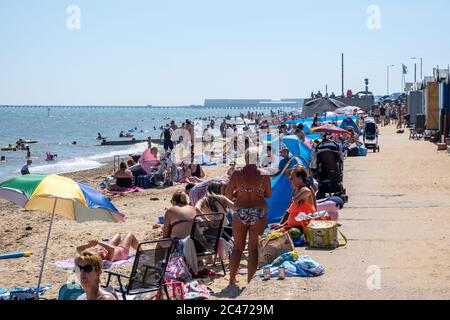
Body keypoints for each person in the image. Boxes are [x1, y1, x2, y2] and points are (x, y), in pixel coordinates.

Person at [225, 147, 272, 285]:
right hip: (259, 212)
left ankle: (232, 280)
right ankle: (250, 281)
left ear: (245, 158)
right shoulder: (265, 174)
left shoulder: (236, 173)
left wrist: (239, 194)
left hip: (241, 212)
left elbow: (228, 194)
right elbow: (268, 195)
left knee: (238, 248)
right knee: (253, 249)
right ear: (257, 158)